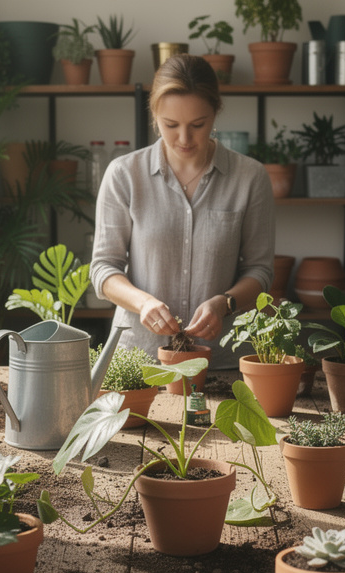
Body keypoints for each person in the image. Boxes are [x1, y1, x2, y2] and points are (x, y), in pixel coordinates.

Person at [90, 54, 274, 368]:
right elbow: (103, 269)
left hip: (219, 361)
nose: (184, 139)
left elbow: (261, 271)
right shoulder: (124, 175)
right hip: (139, 361)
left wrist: (225, 304)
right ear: (154, 115)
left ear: (215, 112)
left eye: (198, 125)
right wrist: (143, 303)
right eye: (171, 125)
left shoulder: (250, 178)